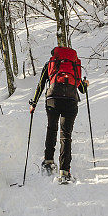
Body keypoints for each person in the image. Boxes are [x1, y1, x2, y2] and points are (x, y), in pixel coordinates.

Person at [29, 46, 89, 183]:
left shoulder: (50, 64)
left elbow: (41, 84)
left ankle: (49, 162)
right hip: (70, 100)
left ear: (54, 55)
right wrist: (86, 84)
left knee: (52, 129)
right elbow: (81, 89)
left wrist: (34, 104)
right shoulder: (75, 65)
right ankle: (65, 172)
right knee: (66, 136)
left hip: (53, 100)